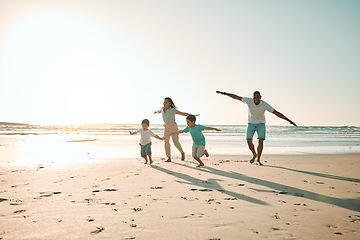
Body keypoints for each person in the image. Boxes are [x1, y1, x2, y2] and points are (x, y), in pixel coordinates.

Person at [216, 90, 297, 165]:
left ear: (260, 97)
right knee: (248, 140)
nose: (256, 99)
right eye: (254, 98)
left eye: (257, 98)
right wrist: (224, 93)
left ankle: (258, 159)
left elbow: (276, 113)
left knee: (260, 140)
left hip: (261, 124)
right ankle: (254, 155)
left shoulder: (265, 104)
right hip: (250, 124)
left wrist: (289, 120)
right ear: (252, 97)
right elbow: (236, 97)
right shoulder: (248, 101)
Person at [154, 97, 198, 162]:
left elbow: (182, 113)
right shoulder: (162, 109)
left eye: (166, 102)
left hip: (173, 126)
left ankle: (182, 152)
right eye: (164, 102)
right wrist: (156, 112)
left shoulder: (172, 110)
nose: (165, 104)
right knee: (166, 142)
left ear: (170, 104)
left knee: (176, 143)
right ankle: (168, 157)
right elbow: (159, 111)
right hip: (166, 126)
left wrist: (192, 115)